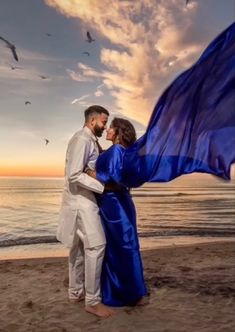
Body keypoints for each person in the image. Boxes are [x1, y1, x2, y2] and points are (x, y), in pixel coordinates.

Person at [57, 105, 114, 318]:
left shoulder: (88, 139)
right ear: (92, 121)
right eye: (103, 122)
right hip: (82, 202)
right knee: (97, 246)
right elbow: (74, 175)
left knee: (78, 250)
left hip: (77, 201)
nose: (105, 126)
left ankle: (75, 293)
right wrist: (103, 187)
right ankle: (92, 301)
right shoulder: (82, 139)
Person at [86, 118, 148, 306]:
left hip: (116, 205)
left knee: (125, 247)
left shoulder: (117, 150)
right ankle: (120, 290)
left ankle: (133, 293)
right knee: (115, 248)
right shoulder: (115, 151)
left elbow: (112, 178)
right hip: (111, 204)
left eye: (110, 127)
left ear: (118, 132)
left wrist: (89, 173)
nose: (107, 129)